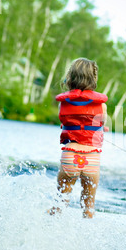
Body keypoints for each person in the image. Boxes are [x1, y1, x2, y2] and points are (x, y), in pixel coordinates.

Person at [48, 58, 107, 218]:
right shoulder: (102, 105)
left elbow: (67, 122)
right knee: (88, 208)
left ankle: (47, 233)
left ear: (71, 77)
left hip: (70, 157)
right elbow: (100, 124)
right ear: (93, 78)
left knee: (59, 204)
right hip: (92, 160)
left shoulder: (63, 103)